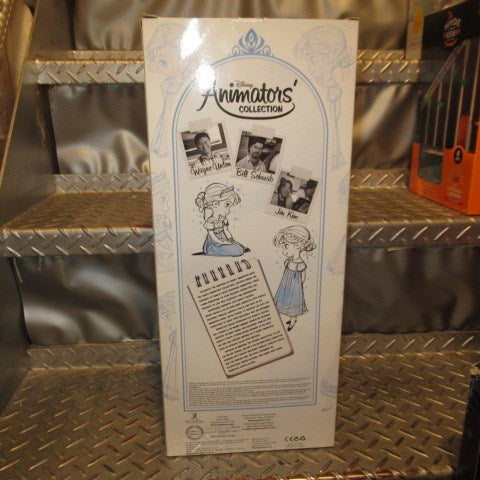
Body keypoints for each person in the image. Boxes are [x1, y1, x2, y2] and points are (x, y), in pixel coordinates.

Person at [273, 225, 317, 332]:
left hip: (295, 289)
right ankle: (291, 319)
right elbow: (286, 274)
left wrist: (298, 288)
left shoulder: (300, 264)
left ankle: (293, 321)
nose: (283, 251)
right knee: (285, 302)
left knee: (292, 305)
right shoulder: (289, 260)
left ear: (297, 245)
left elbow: (302, 277)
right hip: (285, 286)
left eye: (286, 246)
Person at [195, 183, 248, 256]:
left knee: (239, 247)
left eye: (230, 206)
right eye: (227, 205)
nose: (229, 211)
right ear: (215, 204)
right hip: (213, 244)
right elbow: (213, 237)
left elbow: (226, 230)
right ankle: (212, 251)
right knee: (238, 251)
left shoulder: (223, 219)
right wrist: (223, 242)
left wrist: (230, 238)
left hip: (223, 240)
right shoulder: (210, 222)